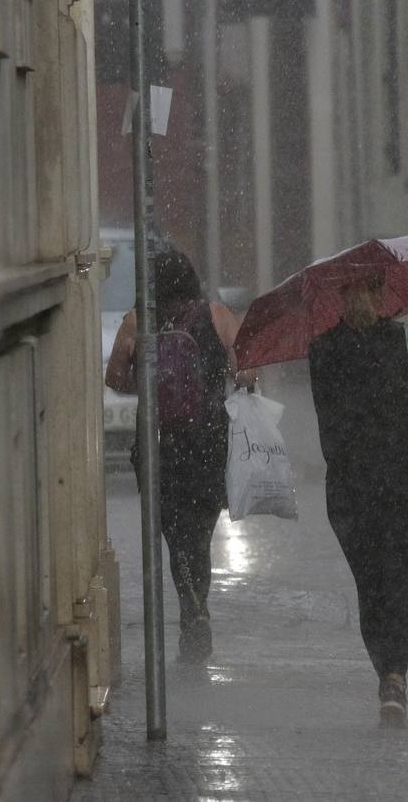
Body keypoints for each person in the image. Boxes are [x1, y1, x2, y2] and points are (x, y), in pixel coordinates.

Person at [307, 272, 408, 728]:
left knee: (371, 588)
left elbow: (328, 423)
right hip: (403, 485)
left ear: (342, 294)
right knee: (400, 583)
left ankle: (386, 675)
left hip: (351, 492)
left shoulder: (323, 349)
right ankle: (395, 677)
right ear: (384, 292)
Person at [105, 248, 251, 663]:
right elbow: (247, 372)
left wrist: (153, 388)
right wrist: (212, 381)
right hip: (206, 442)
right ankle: (196, 608)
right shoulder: (218, 315)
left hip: (157, 443)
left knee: (173, 534)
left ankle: (191, 603)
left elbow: (114, 376)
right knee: (200, 533)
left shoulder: (137, 321)